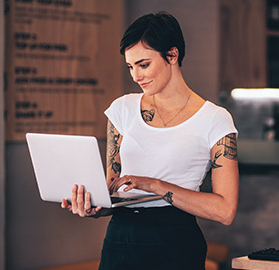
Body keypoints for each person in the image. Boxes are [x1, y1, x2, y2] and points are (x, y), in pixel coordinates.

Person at [60, 11, 239, 270]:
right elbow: (113, 189)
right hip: (119, 241)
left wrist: (154, 185)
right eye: (130, 67)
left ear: (172, 55)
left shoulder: (215, 119)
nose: (136, 76)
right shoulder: (121, 109)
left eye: (143, 64)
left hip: (176, 244)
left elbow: (225, 210)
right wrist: (93, 207)